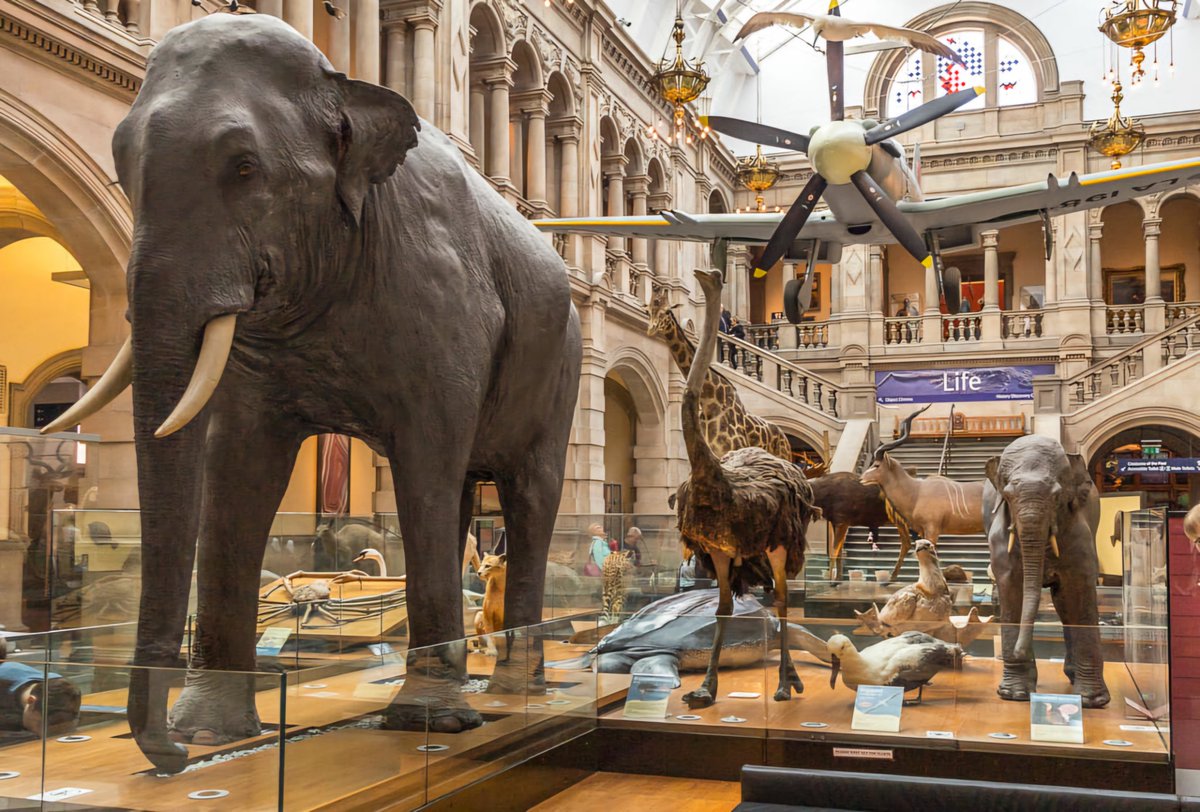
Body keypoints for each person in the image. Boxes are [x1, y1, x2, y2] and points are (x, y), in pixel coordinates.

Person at [0, 661, 81, 735]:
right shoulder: (4, 680)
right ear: (31, 701)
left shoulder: (63, 688)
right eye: (40, 725)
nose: (42, 733)